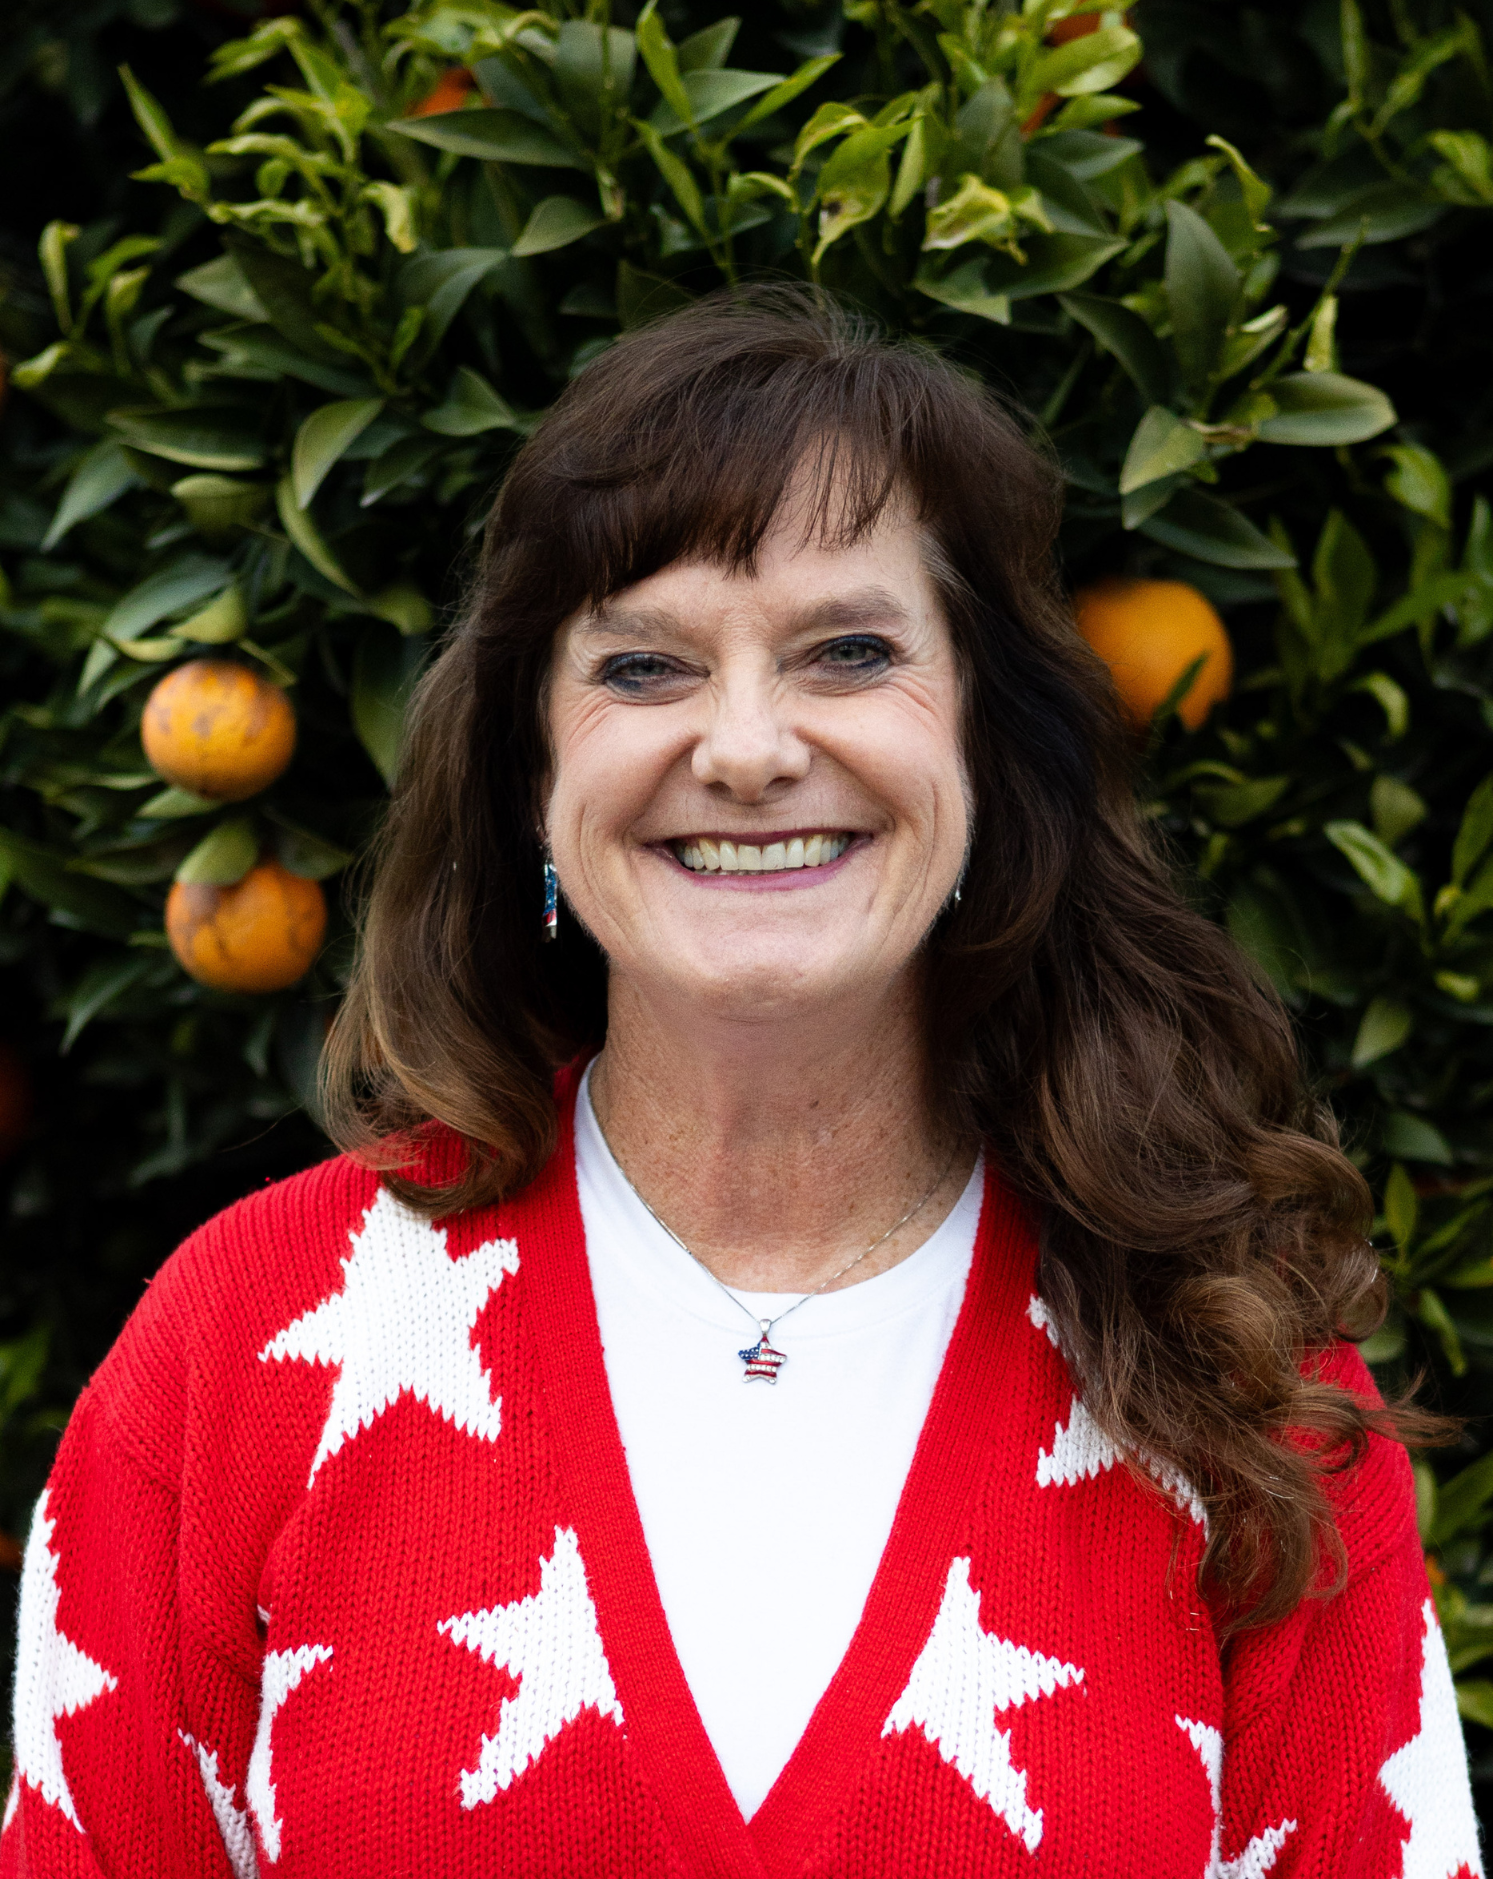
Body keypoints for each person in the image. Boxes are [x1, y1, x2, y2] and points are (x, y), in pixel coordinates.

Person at [3, 289, 1481, 1879]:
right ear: (533, 773)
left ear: (987, 751)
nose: (750, 747)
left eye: (850, 652)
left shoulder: (1239, 1374)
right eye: (646, 666)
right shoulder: (248, 1341)